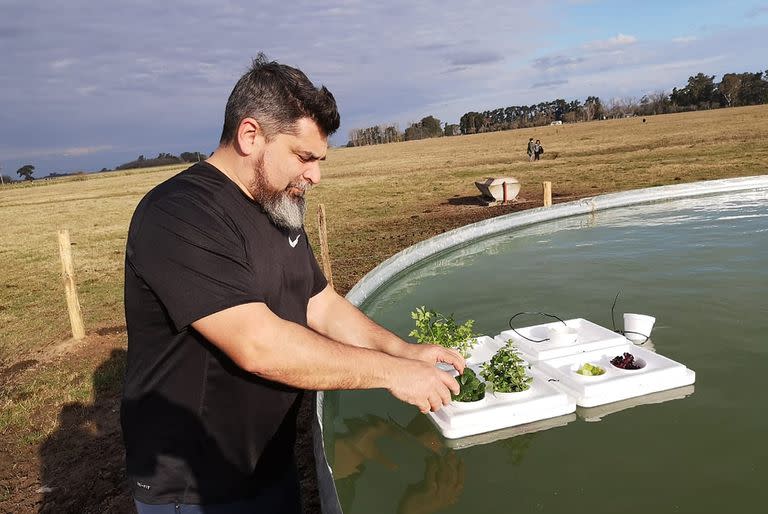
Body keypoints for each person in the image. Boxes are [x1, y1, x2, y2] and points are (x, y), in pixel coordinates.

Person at [121, 54, 465, 514]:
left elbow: (320, 304)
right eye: (304, 157)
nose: (315, 175)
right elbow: (258, 345)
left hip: (268, 466)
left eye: (319, 159)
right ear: (250, 136)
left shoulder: (277, 204)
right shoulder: (180, 214)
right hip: (197, 489)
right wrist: (392, 373)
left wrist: (402, 351)